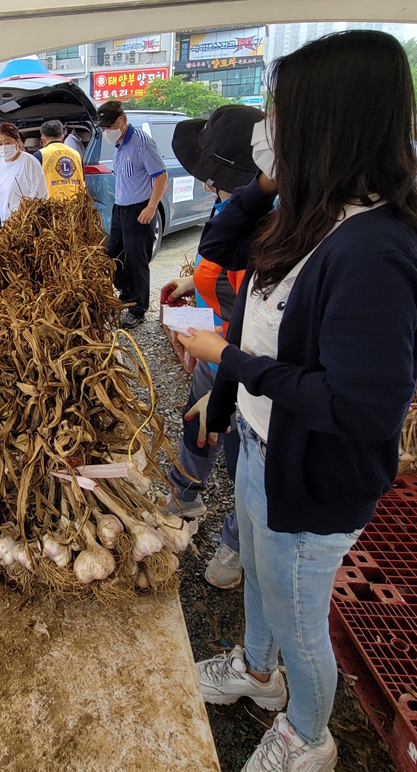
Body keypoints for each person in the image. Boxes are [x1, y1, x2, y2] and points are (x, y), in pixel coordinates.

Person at [178, 31, 417, 772]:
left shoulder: (375, 251)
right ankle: (258, 676)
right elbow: (259, 312)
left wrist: (228, 362)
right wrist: (224, 396)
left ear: (329, 123)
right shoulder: (313, 216)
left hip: (317, 474)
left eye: (283, 115)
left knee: (302, 619)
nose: (272, 134)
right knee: (260, 578)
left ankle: (308, 736)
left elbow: (362, 409)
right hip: (268, 450)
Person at [160, 106, 264, 591]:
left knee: (248, 455)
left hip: (245, 357)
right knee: (197, 424)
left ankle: (237, 544)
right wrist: (189, 280)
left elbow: (251, 311)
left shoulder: (272, 228)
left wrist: (223, 363)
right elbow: (213, 265)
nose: (207, 186)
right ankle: (185, 497)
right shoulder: (231, 209)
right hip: (212, 340)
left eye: (214, 178)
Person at [97, 99, 166, 329]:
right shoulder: (118, 144)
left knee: (137, 261)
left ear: (123, 119)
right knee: (113, 255)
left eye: (110, 125)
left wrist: (151, 207)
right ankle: (126, 296)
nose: (107, 131)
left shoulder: (141, 143)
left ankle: (138, 310)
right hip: (121, 209)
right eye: (103, 128)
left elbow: (160, 176)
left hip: (140, 210)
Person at [38, 119, 85, 200]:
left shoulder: (39, 155)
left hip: (51, 206)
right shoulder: (76, 154)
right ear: (62, 137)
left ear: (43, 140)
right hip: (74, 205)